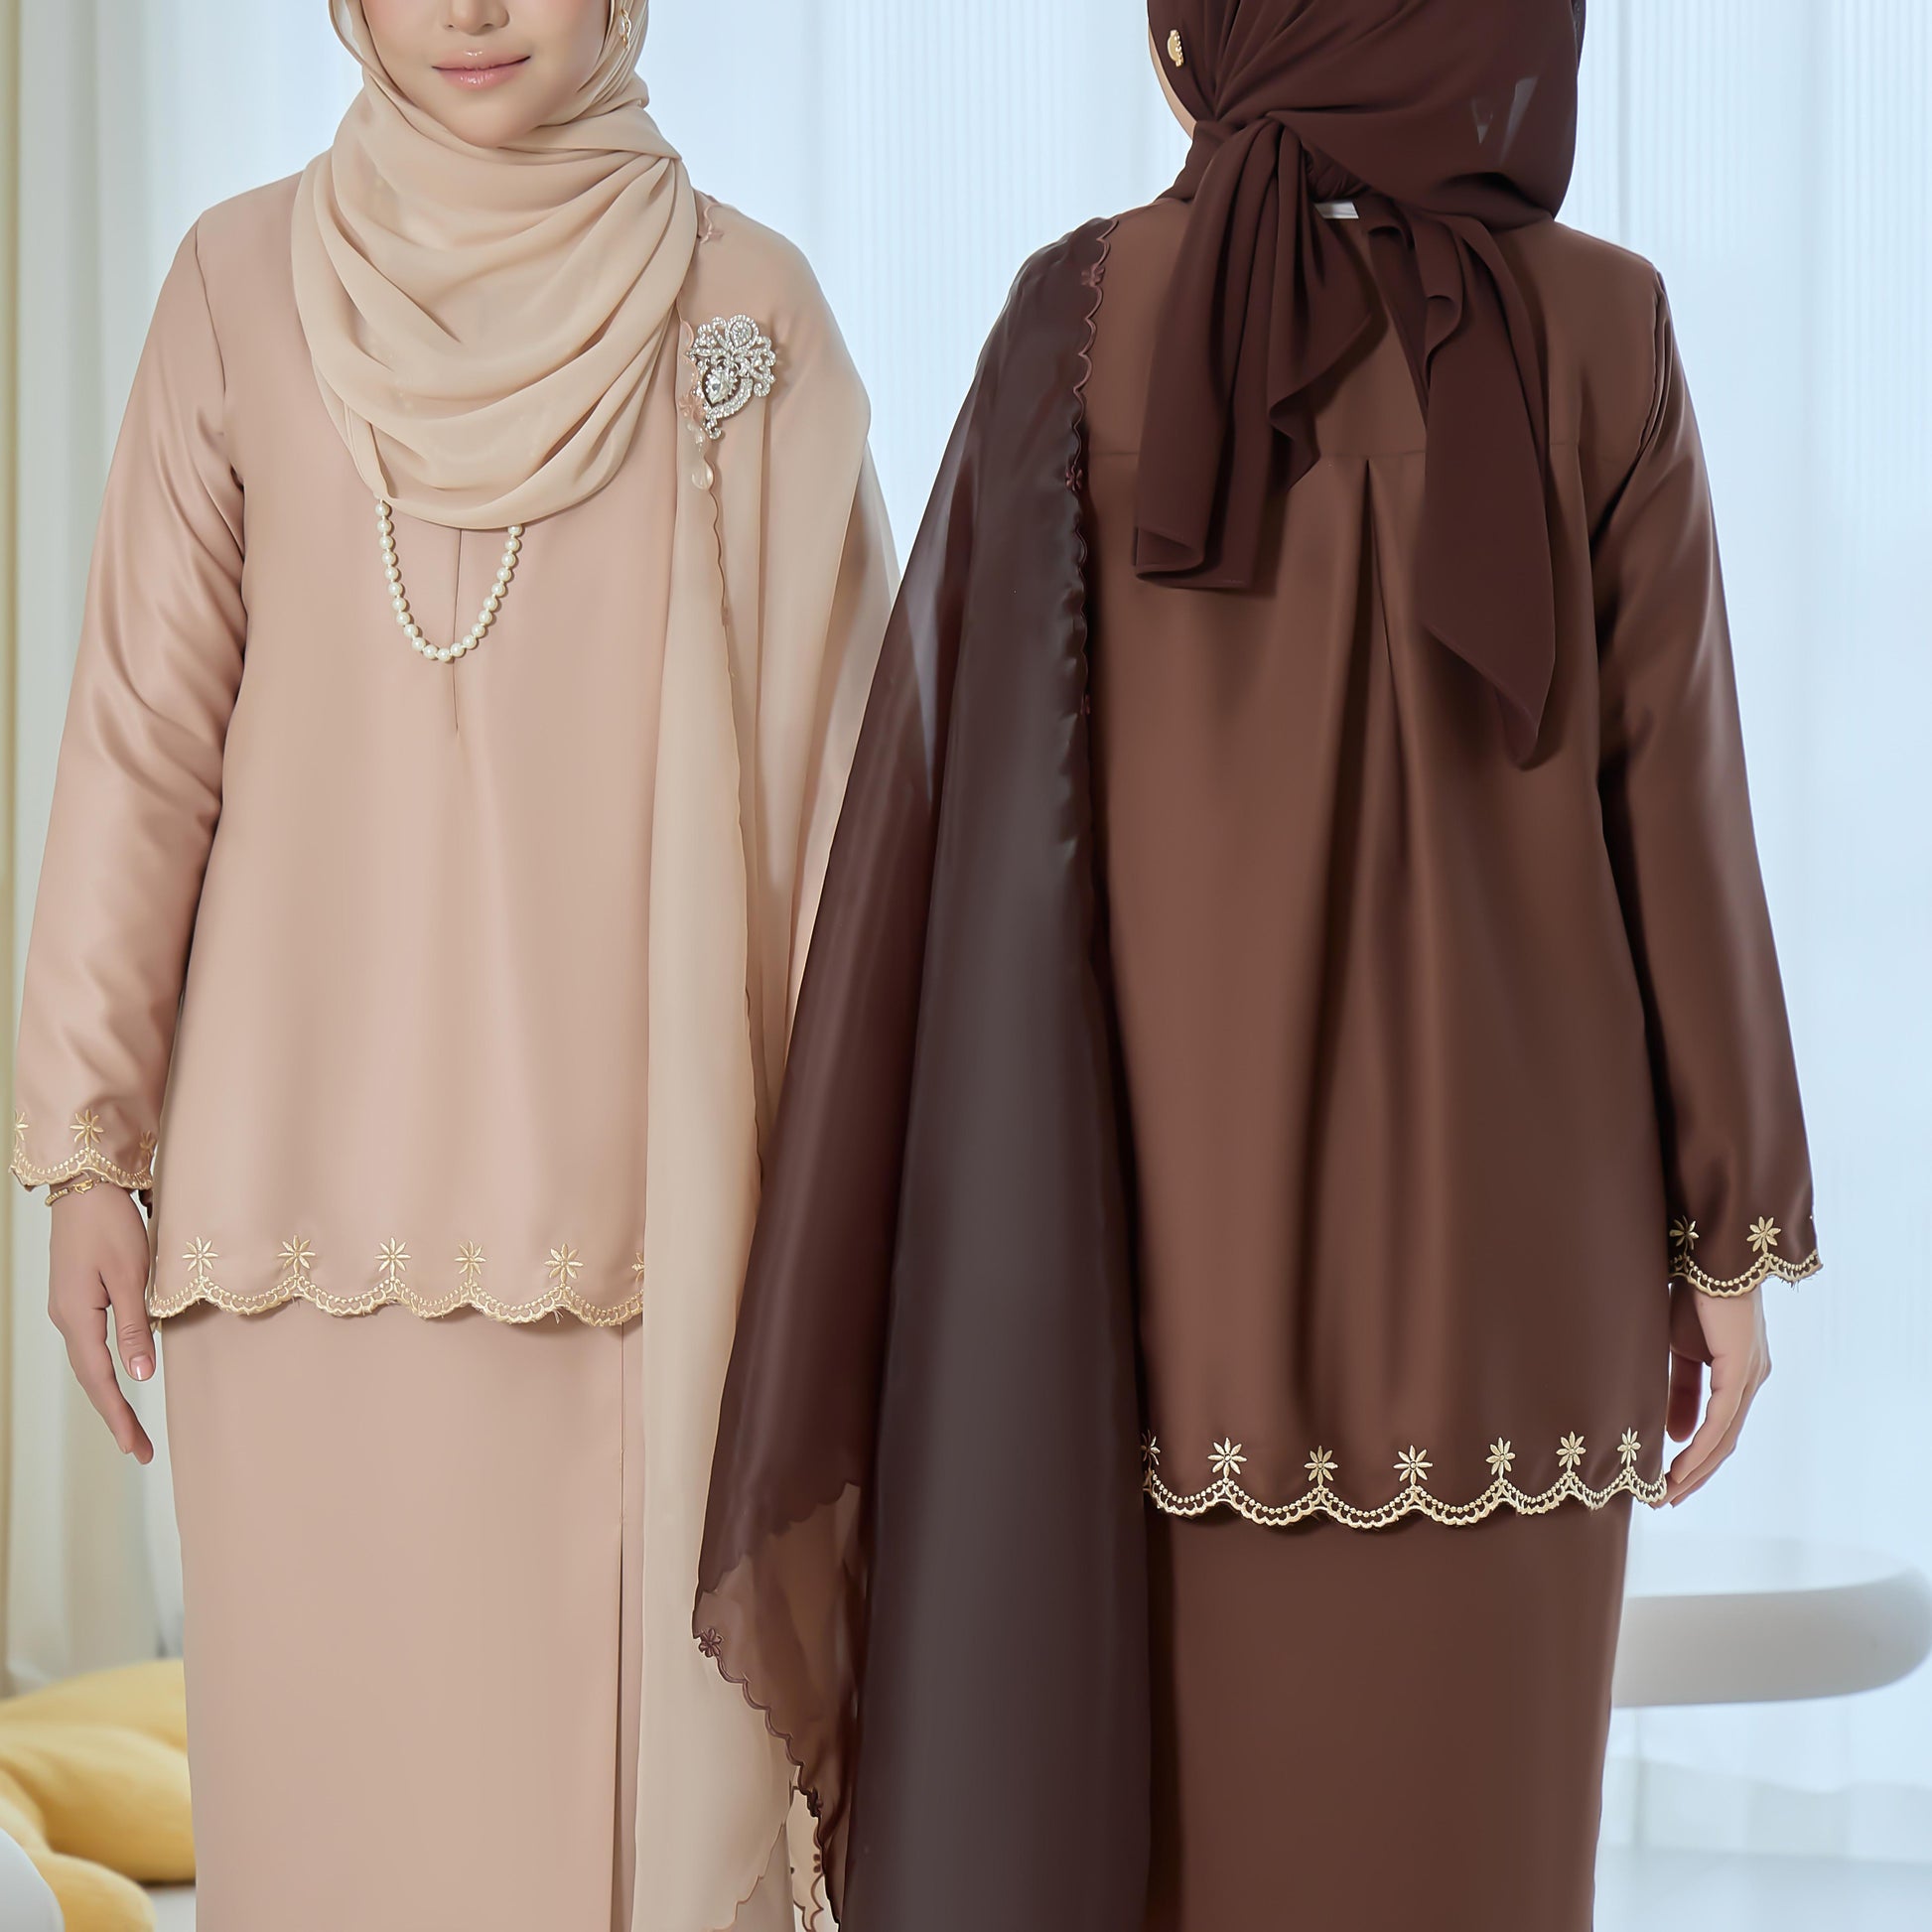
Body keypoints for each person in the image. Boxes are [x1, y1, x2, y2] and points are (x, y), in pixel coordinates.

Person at [693, 4, 1817, 1930]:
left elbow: (958, 821)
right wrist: (1731, 1237)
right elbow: (1680, 817)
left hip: (1154, 1275)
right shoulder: (1607, 326)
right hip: (1515, 1294)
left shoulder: (1078, 318)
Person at [9, 3, 894, 1927]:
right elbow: (141, 742)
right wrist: (84, 1148)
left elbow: (854, 817)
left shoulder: (748, 312)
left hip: (645, 1250)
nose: (473, 11)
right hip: (290, 1241)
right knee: (337, 1833)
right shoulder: (235, 287)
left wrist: (856, 1226)